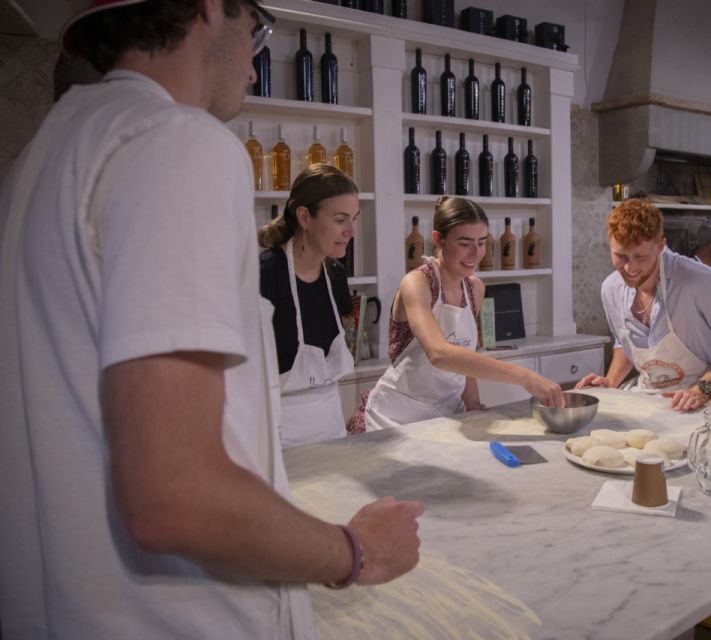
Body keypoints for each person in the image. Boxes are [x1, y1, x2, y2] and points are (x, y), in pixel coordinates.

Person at [0, 1, 422, 637]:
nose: (256, 58)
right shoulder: (178, 143)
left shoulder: (41, 155)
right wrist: (356, 552)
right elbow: (172, 494)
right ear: (207, 10)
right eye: (256, 25)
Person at [349, 196, 563, 432]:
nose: (475, 253)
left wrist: (472, 403)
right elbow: (439, 353)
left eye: (482, 242)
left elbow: (465, 354)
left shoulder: (474, 288)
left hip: (446, 414)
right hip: (397, 418)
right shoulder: (417, 283)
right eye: (464, 243)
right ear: (438, 239)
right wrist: (526, 377)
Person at [575, 198, 711, 412]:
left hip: (705, 402)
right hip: (647, 399)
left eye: (640, 256)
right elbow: (624, 341)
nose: (630, 267)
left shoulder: (699, 282)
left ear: (661, 246)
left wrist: (702, 389)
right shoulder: (611, 288)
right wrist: (610, 382)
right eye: (620, 256)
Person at [259, 164, 357, 447]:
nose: (350, 230)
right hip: (277, 439)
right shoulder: (264, 276)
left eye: (354, 219)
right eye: (340, 219)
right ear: (304, 216)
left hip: (331, 431)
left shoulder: (336, 275)